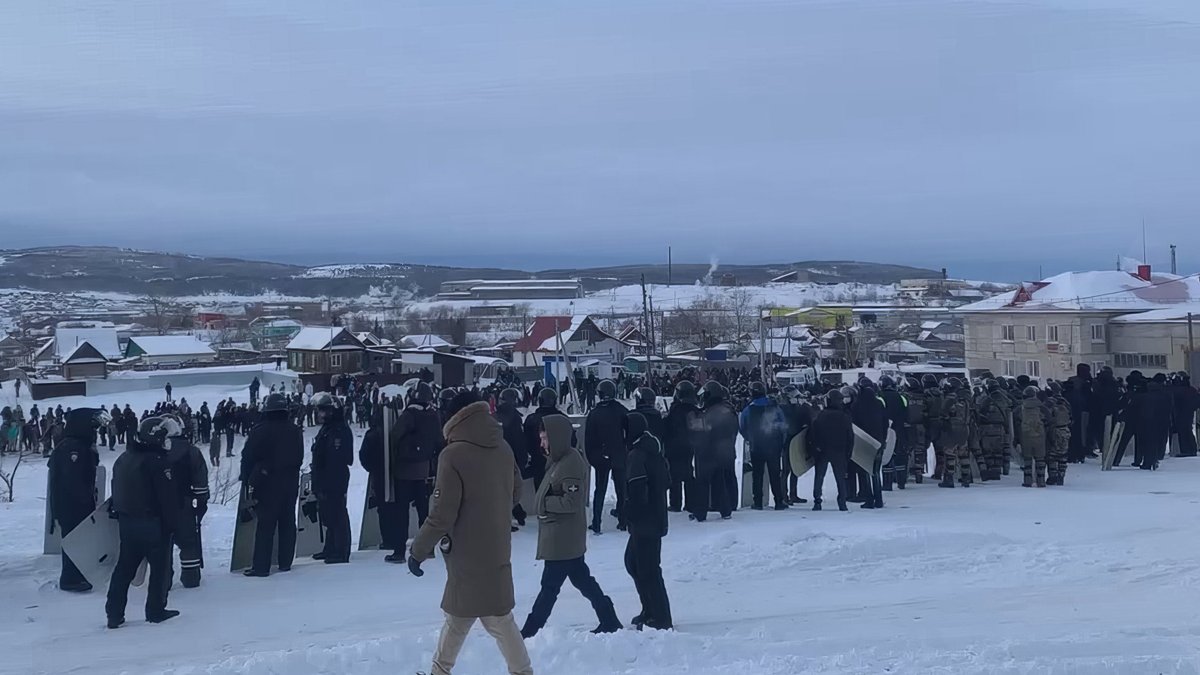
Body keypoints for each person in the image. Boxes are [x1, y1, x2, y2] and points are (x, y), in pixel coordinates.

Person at [408, 390, 532, 675]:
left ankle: (440, 671)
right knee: (497, 617)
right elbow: (516, 493)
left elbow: (442, 514)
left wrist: (418, 550)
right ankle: (522, 671)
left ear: (454, 418)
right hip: (498, 545)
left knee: (460, 616)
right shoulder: (502, 447)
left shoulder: (452, 454)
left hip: (465, 550)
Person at [521, 414, 623, 638]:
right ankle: (609, 618)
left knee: (549, 587)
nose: (542, 444)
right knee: (582, 580)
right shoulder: (559, 460)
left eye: (545, 438)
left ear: (557, 438)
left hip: (562, 539)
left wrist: (544, 503)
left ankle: (530, 631)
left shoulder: (570, 462)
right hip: (562, 537)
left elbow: (571, 501)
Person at [105, 416, 181, 629]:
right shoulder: (158, 462)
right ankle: (155, 610)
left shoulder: (124, 458)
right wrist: (173, 524)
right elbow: (167, 497)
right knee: (159, 569)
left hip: (128, 523)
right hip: (153, 524)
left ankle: (114, 613)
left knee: (124, 569)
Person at [240, 393, 304, 577]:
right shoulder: (295, 430)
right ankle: (285, 562)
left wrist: (246, 480)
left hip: (266, 484)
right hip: (290, 482)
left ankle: (261, 566)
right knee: (287, 523)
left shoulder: (260, 431)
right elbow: (298, 457)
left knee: (265, 526)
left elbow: (248, 458)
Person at [48, 408, 107, 592]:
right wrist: (85, 502)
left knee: (78, 539)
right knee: (74, 539)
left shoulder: (75, 445)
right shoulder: (73, 448)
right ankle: (71, 578)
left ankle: (77, 575)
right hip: (72, 505)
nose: (95, 433)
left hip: (74, 503)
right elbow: (73, 481)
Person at [624, 411, 672, 630]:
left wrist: (628, 513)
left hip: (644, 522)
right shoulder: (654, 450)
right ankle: (650, 609)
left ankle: (660, 617)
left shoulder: (638, 455)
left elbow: (636, 490)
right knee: (635, 563)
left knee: (648, 569)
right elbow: (666, 482)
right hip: (656, 517)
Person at [387, 382, 442, 561]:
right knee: (424, 512)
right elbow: (438, 441)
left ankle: (398, 550)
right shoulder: (433, 415)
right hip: (424, 470)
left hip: (405, 470)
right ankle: (427, 548)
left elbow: (395, 435)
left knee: (401, 512)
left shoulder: (409, 414)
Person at [163, 416, 209, 588]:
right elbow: (200, 480)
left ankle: (163, 579)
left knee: (162, 544)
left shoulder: (151, 451)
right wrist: (201, 503)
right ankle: (191, 577)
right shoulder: (191, 451)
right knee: (188, 542)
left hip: (157, 507)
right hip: (184, 504)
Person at [310, 392, 353, 564]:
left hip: (334, 478)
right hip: (325, 478)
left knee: (338, 513)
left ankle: (341, 550)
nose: (320, 415)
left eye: (324, 411)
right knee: (328, 513)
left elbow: (338, 459)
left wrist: (326, 481)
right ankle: (330, 547)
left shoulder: (338, 431)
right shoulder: (328, 429)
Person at [585, 380, 628, 534]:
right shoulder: (622, 410)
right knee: (621, 490)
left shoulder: (594, 413)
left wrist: (593, 457)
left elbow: (588, 439)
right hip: (619, 455)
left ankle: (596, 523)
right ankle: (623, 521)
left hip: (601, 457)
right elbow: (628, 432)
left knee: (600, 490)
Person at [691, 381, 738, 522]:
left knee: (702, 484)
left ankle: (700, 513)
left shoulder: (708, 413)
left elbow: (700, 432)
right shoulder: (728, 410)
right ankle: (725, 510)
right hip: (723, 451)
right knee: (719, 482)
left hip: (706, 452)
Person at [739, 381, 789, 510]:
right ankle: (779, 501)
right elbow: (783, 425)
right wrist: (780, 443)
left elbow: (742, 427)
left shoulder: (748, 409)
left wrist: (750, 439)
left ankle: (758, 502)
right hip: (773, 446)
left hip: (757, 446)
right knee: (775, 474)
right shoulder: (774, 406)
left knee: (757, 475)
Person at [809, 389, 853, 511]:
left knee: (819, 477)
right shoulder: (844, 416)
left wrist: (815, 448)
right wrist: (848, 453)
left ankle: (817, 502)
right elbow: (850, 436)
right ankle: (842, 503)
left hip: (822, 451)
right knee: (840, 479)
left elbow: (813, 433)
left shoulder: (821, 415)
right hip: (839, 451)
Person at [494, 388, 530, 528]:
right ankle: (515, 515)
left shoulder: (495, 417)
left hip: (497, 458)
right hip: (513, 459)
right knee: (511, 490)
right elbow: (519, 441)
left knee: (504, 490)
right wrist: (522, 459)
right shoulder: (515, 418)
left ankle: (517, 514)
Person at [662, 381, 698, 513]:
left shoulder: (676, 410)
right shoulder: (695, 410)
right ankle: (691, 503)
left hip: (674, 447)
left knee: (675, 476)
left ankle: (675, 504)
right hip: (690, 446)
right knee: (688, 473)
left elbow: (667, 428)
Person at [523, 388, 567, 490]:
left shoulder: (531, 419)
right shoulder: (562, 418)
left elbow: (526, 443)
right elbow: (571, 441)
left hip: (538, 464)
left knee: (540, 496)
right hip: (560, 465)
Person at [1015, 387, 1051, 487]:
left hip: (1025, 436)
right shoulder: (1041, 407)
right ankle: (1041, 480)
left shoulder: (1021, 408)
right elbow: (1049, 419)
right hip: (1040, 435)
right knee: (1040, 459)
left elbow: (1015, 420)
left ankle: (1027, 480)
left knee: (1027, 460)